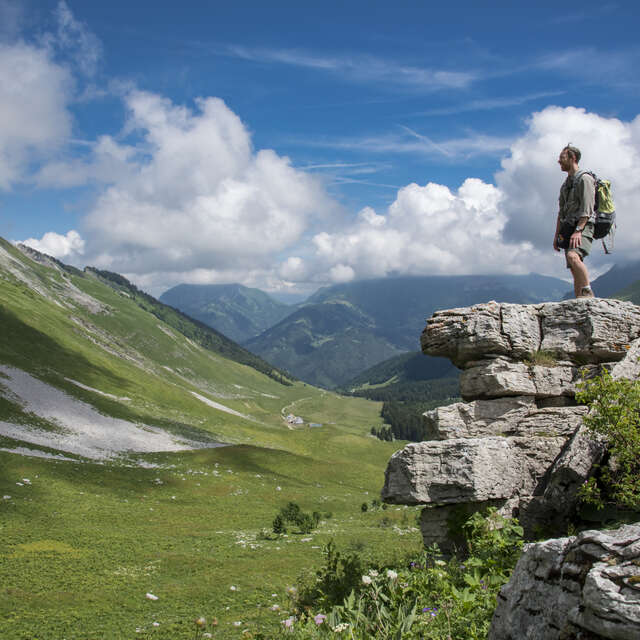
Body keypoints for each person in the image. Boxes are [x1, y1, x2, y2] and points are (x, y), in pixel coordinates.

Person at [553, 144, 596, 298]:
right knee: (572, 264)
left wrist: (579, 230)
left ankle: (587, 293)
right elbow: (561, 213)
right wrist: (557, 236)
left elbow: (587, 207)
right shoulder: (566, 185)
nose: (559, 161)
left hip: (582, 226)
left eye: (562, 158)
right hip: (568, 227)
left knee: (573, 256)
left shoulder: (585, 179)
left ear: (573, 158)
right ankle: (579, 299)